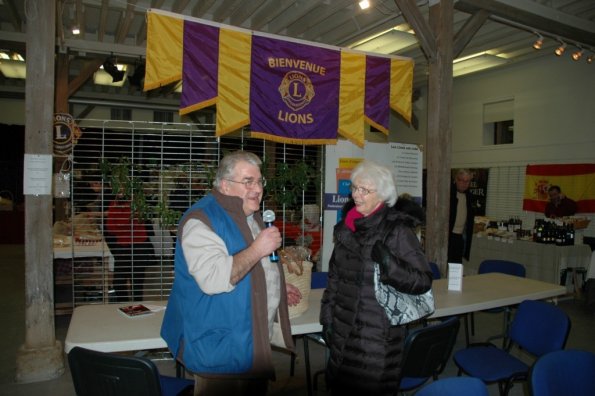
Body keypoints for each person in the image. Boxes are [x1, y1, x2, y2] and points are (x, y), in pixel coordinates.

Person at [161, 151, 302, 396]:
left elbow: (253, 265)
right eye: (248, 181)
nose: (257, 189)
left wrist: (275, 286)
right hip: (221, 349)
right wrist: (259, 248)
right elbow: (215, 279)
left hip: (252, 342)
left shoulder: (249, 215)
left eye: (259, 181)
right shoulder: (201, 221)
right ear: (225, 185)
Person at [320, 160, 433, 395]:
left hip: (376, 338)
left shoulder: (397, 231)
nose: (356, 195)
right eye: (354, 188)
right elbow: (334, 279)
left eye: (365, 190)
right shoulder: (345, 228)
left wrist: (391, 265)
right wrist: (327, 319)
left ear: (382, 195)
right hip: (343, 333)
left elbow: (423, 280)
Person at [105, 193, 154, 302]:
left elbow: (131, 222)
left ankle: (137, 307)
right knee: (118, 282)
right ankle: (124, 305)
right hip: (122, 247)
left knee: (137, 283)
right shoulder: (114, 204)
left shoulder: (137, 203)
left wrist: (120, 224)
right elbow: (110, 227)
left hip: (139, 246)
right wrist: (124, 224)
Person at [448, 169, 475, 264]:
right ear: (456, 180)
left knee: (457, 265)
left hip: (461, 236)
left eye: (467, 181)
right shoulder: (448, 194)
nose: (464, 183)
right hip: (448, 235)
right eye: (461, 180)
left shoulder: (469, 196)